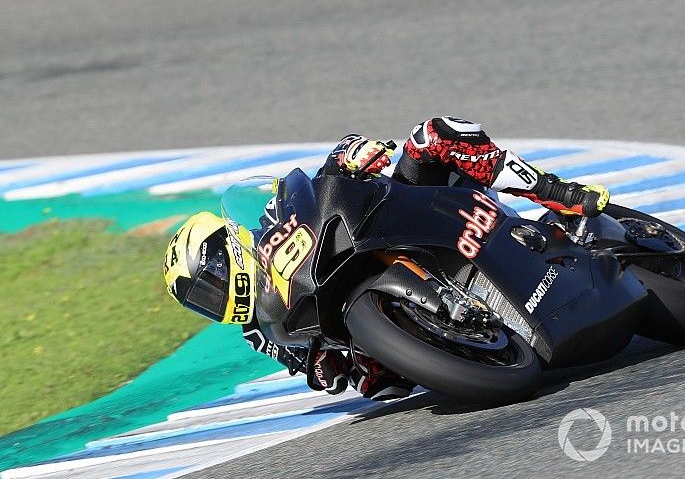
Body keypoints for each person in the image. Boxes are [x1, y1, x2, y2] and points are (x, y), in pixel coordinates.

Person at [163, 116, 610, 401]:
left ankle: (555, 194)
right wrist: (330, 366)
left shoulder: (274, 216)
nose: (215, 296)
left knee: (433, 134)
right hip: (384, 313)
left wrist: (350, 155)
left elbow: (324, 183)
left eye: (210, 281)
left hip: (412, 213)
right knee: (379, 384)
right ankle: (462, 334)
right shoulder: (260, 330)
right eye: (203, 300)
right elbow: (317, 373)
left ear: (228, 246)